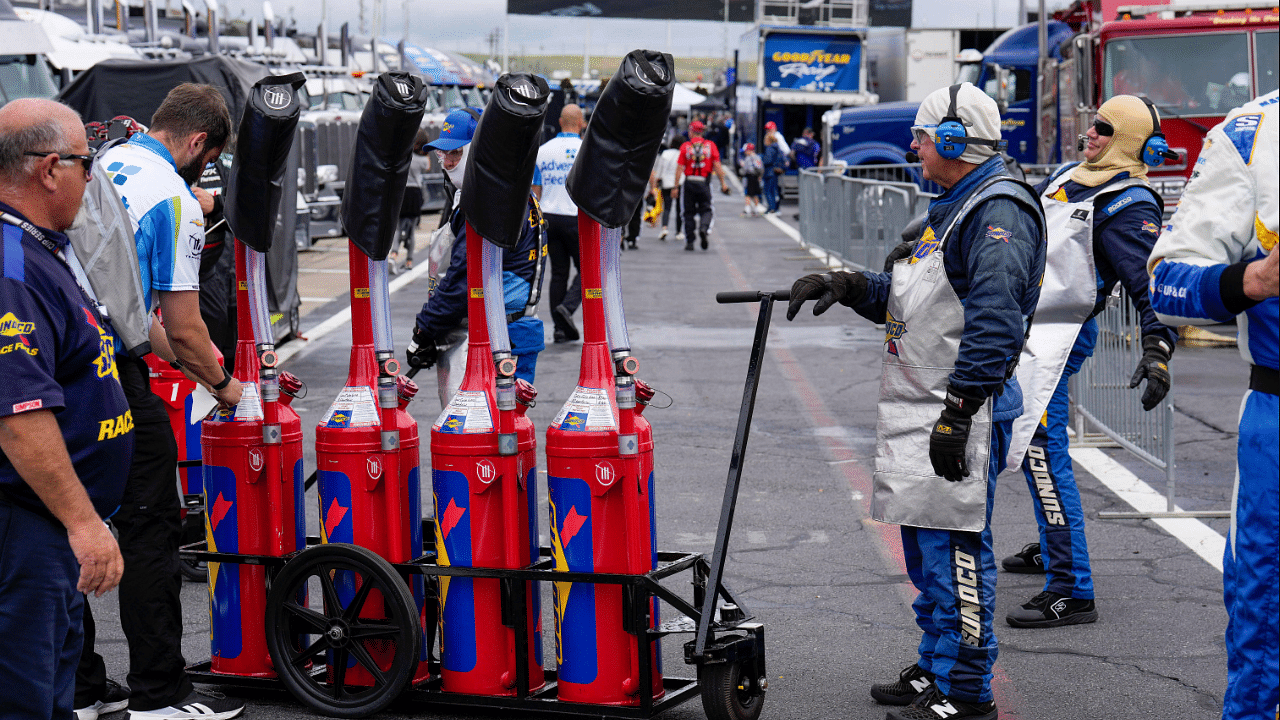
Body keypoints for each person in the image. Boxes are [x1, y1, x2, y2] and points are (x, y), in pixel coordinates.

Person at [787, 83, 1044, 720]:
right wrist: (848, 285)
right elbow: (922, 299)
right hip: (922, 404)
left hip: (961, 409)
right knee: (926, 556)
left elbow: (994, 320)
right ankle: (935, 664)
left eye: (923, 135)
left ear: (954, 142)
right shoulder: (955, 205)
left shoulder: (997, 211)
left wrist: (959, 413)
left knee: (956, 551)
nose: (913, 144)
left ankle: (965, 687)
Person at [93, 83, 245, 720]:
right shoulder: (177, 200)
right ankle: (161, 693)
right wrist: (228, 387)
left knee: (58, 521)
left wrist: (206, 375)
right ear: (198, 143)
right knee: (150, 524)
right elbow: (182, 328)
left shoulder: (107, 161)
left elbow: (137, 315)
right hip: (103, 365)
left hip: (48, 347)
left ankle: (82, 690)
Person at [1000, 95, 1179, 629]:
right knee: (1026, 442)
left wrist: (1157, 348)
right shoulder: (1069, 174)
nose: (1090, 133)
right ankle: (1055, 544)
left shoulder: (1131, 200)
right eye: (1091, 123)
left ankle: (1072, 586)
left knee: (1040, 449)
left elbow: (1151, 284)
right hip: (1025, 331)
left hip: (1058, 339)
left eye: (1104, 128)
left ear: (1126, 140)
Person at [1147, 89, 1278, 720]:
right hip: (1278, 420)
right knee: (1266, 605)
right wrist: (1251, 280)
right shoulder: (1254, 132)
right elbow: (1167, 282)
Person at [0, 98, 130, 720]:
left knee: (53, 689)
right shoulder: (11, 267)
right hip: (26, 523)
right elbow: (19, 416)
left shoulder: (38, 247)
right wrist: (83, 524)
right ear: (49, 169)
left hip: (48, 523)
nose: (92, 174)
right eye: (86, 161)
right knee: (25, 695)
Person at [407, 107, 547, 409]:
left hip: (496, 340)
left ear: (480, 149)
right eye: (443, 155)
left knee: (480, 439)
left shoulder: (489, 201)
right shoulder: (509, 191)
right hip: (507, 333)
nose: (447, 163)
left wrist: (425, 330)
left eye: (456, 153)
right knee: (501, 436)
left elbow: (463, 278)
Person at [534, 104, 585, 343]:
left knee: (558, 273)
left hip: (549, 216)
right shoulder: (586, 149)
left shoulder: (543, 150)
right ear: (581, 122)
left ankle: (559, 329)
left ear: (561, 121)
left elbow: (535, 190)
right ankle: (567, 307)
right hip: (576, 216)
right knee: (587, 270)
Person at [672, 119, 729, 252]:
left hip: (689, 182)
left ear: (691, 132)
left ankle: (690, 241)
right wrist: (723, 183)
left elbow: (679, 168)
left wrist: (675, 187)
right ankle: (703, 228)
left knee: (688, 213)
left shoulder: (685, 147)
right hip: (704, 182)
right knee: (707, 209)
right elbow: (717, 166)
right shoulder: (710, 146)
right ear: (702, 132)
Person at [390, 129, 430, 275]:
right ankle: (409, 261)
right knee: (412, 230)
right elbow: (427, 168)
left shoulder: (404, 157)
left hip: (402, 193)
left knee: (398, 227)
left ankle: (394, 254)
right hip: (415, 194)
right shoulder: (423, 160)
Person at [649, 137, 683, 241]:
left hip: (666, 183)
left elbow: (659, 170)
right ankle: (678, 231)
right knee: (679, 208)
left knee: (666, 207)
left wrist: (655, 184)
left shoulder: (665, 154)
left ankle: (664, 228)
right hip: (680, 183)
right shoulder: (682, 154)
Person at [760, 133, 785, 215]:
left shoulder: (769, 149)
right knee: (773, 190)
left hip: (769, 172)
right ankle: (774, 207)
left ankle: (771, 208)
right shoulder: (777, 148)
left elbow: (767, 160)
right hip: (775, 172)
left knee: (768, 190)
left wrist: (762, 160)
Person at [739, 142, 764, 217]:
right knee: (755, 194)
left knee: (748, 194)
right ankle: (755, 209)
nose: (745, 153)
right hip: (754, 177)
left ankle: (748, 209)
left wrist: (743, 167)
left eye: (746, 151)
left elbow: (758, 168)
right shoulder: (755, 157)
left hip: (751, 177)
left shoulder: (752, 157)